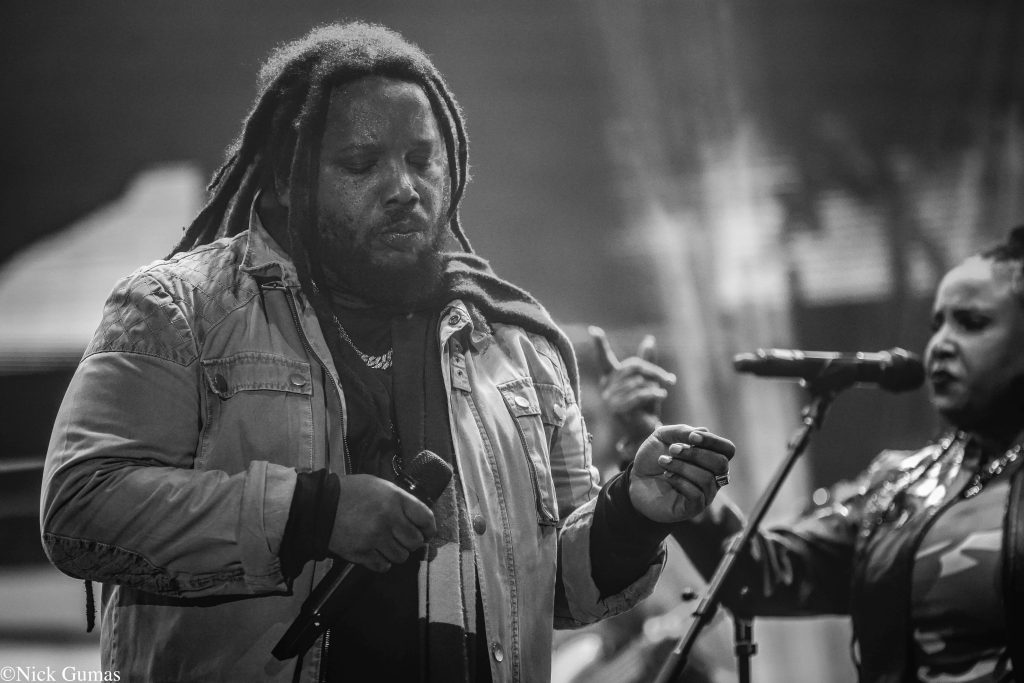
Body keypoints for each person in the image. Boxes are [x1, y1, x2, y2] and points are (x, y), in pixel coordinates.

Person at [39, 22, 735, 683]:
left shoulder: (515, 343)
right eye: (361, 163)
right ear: (285, 178)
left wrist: (633, 513)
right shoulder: (181, 309)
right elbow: (79, 509)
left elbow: (555, 587)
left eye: (422, 160)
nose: (404, 188)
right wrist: (312, 514)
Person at [672, 226, 1024, 683]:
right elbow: (758, 574)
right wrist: (667, 462)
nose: (941, 345)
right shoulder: (902, 484)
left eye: (971, 322)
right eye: (937, 325)